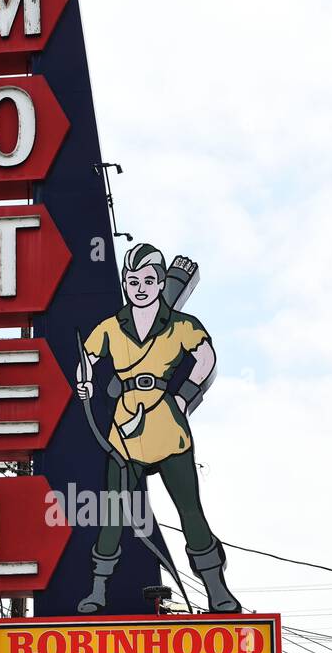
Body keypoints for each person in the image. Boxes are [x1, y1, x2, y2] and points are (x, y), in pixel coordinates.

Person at [76, 242, 240, 614]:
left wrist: (183, 395)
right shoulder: (111, 327)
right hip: (125, 433)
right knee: (114, 513)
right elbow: (86, 355)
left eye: (149, 280)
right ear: (125, 282)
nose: (140, 287)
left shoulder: (182, 325)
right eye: (132, 280)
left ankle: (216, 588)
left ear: (160, 281)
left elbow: (205, 355)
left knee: (190, 511)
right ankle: (99, 589)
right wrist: (83, 379)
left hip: (167, 425)